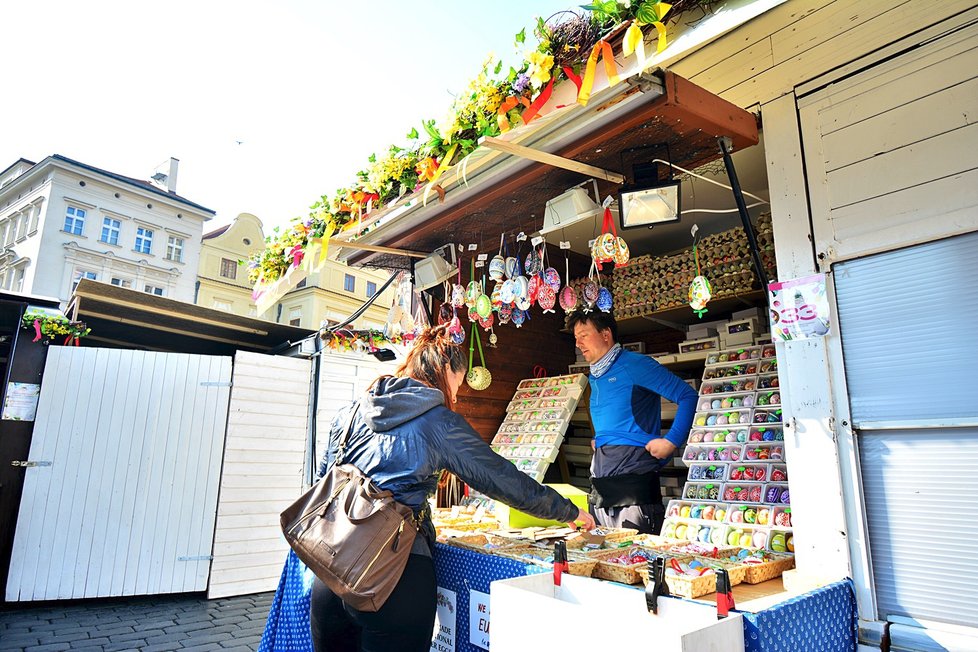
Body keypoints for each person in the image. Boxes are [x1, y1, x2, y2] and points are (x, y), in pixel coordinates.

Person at [309, 324, 594, 652]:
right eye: (456, 386)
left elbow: (322, 484)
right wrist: (567, 511)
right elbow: (501, 479)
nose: (456, 397)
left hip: (331, 573)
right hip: (394, 576)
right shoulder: (437, 421)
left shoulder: (350, 411)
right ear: (445, 370)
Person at [568, 311, 697, 535]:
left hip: (633, 489)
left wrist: (671, 441)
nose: (578, 343)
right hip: (601, 492)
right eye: (576, 338)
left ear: (606, 334)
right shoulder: (596, 375)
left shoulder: (636, 365)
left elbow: (688, 396)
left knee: (637, 563)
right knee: (606, 562)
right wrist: (600, 439)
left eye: (584, 335)